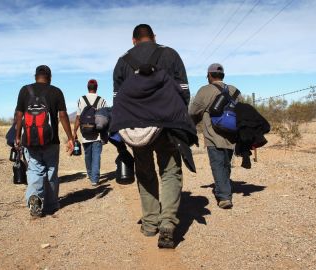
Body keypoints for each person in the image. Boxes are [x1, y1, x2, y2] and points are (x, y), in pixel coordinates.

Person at [112, 24, 192, 248]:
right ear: (154, 37)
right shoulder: (171, 54)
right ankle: (167, 223)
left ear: (133, 40)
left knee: (145, 173)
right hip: (167, 125)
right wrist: (177, 118)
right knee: (169, 172)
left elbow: (117, 100)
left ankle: (149, 224)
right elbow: (184, 92)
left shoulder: (122, 61)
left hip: (136, 128)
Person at [14, 65, 74, 217]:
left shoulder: (24, 90)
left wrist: (17, 136)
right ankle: (51, 204)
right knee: (51, 171)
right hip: (51, 140)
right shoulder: (56, 91)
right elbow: (63, 115)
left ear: (35, 76)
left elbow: (19, 115)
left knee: (35, 170)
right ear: (50, 77)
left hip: (29, 140)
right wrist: (70, 137)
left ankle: (35, 197)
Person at [189, 63, 239, 209]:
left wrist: (190, 125)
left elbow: (193, 111)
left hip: (213, 135)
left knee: (217, 164)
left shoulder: (205, 90)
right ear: (222, 75)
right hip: (231, 135)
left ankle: (224, 197)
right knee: (226, 163)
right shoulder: (234, 90)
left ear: (209, 76)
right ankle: (225, 187)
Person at [73, 79, 107, 186]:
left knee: (88, 155)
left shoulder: (81, 100)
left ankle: (90, 173)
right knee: (96, 156)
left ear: (87, 87)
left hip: (85, 134)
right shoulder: (101, 100)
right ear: (96, 88)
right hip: (97, 134)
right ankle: (95, 179)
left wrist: (74, 131)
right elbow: (105, 118)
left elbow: (78, 117)